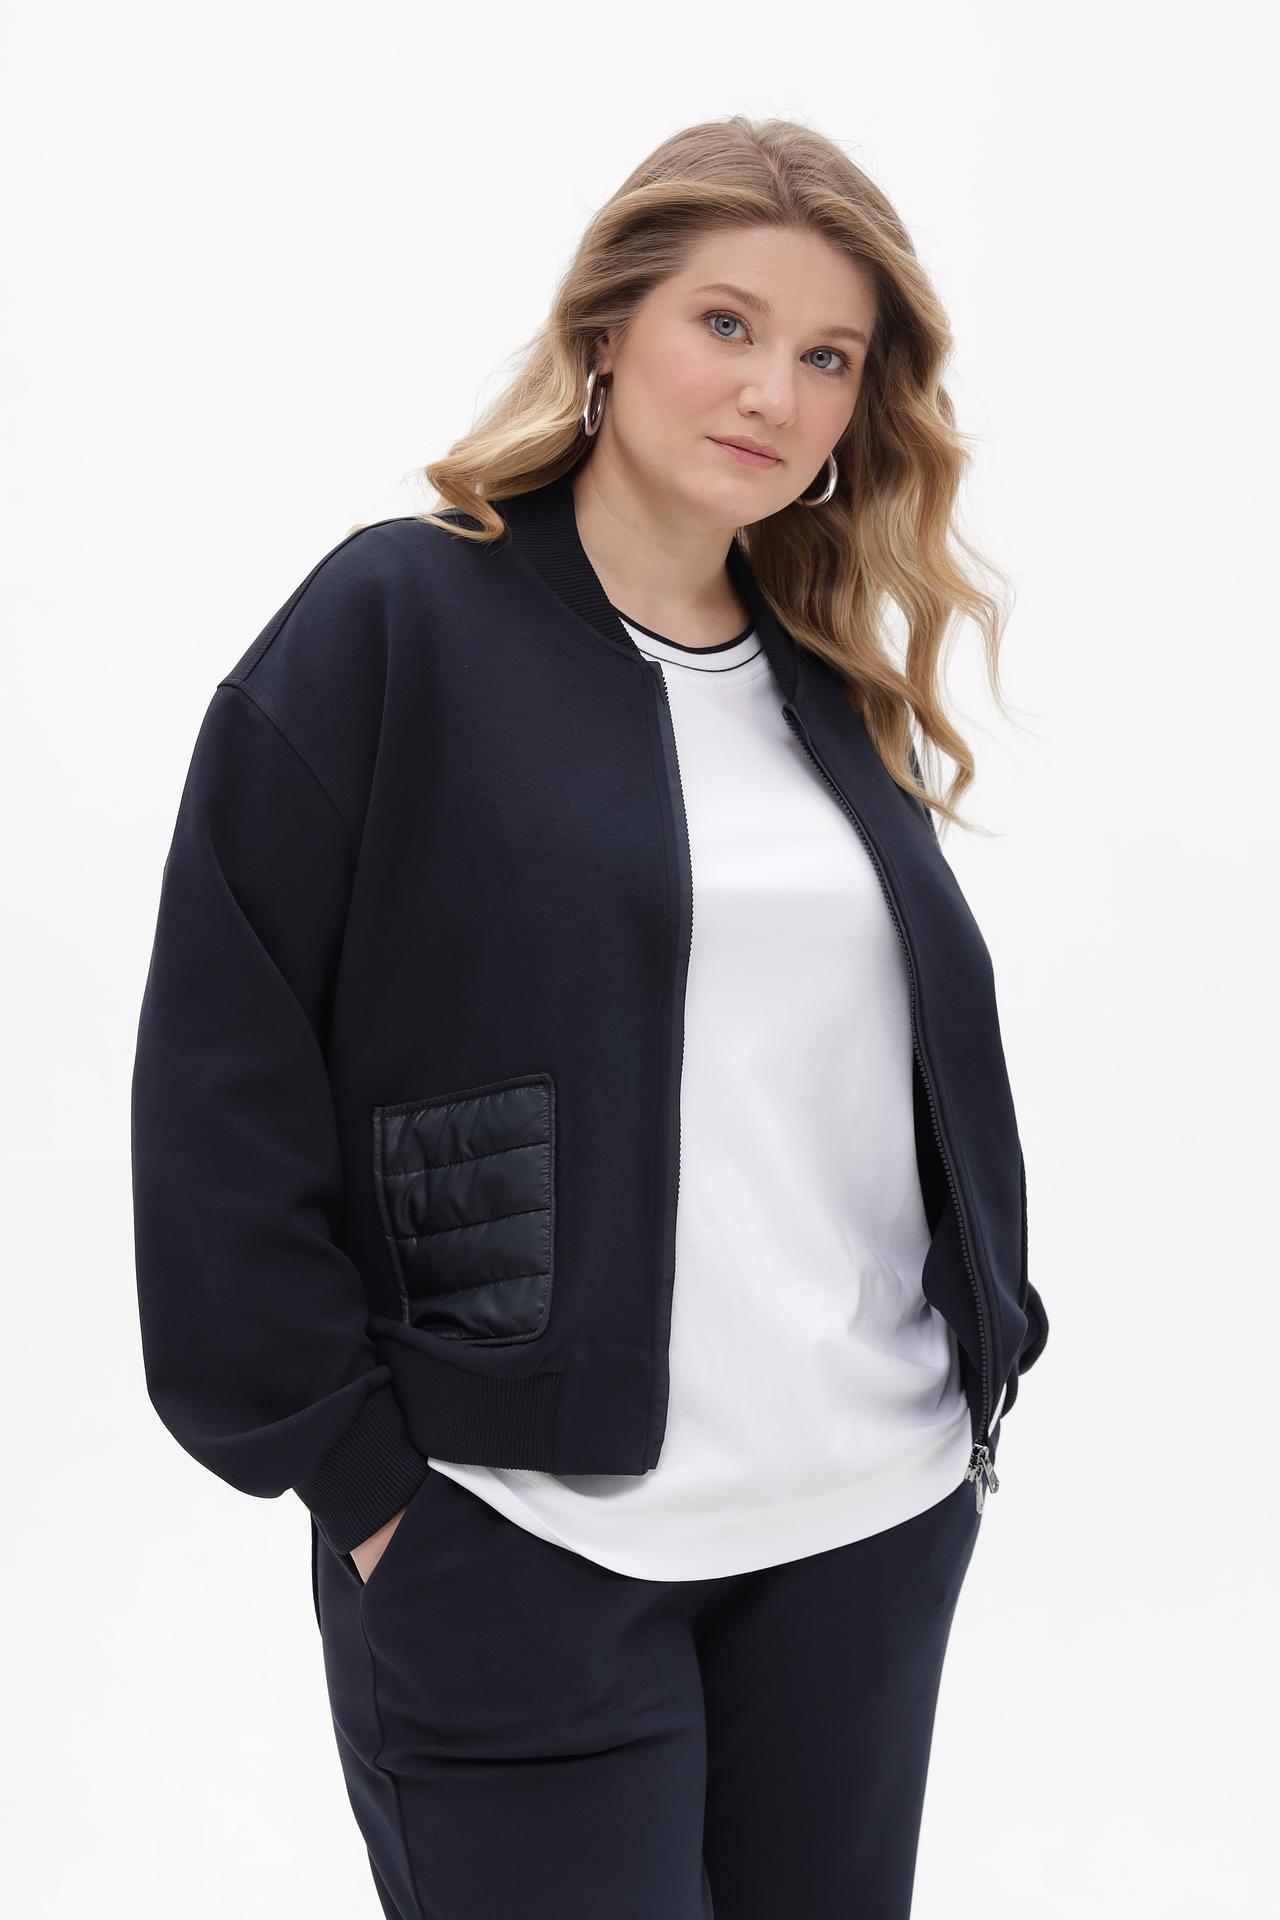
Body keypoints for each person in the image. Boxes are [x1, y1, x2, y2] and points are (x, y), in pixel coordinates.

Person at [130, 113, 1049, 1919]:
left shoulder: (828, 684)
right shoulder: (397, 622)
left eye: (829, 357)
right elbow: (223, 1078)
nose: (773, 391)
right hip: (518, 1544)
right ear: (609, 326)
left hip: (864, 1534)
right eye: (728, 323)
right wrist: (365, 1486)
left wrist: (979, 1370)